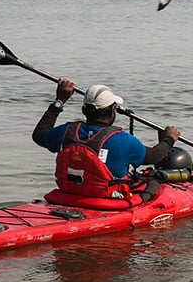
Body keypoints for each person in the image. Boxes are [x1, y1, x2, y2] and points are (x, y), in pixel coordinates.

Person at [32, 78, 180, 196]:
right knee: (152, 181)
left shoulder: (66, 131)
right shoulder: (123, 140)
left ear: (84, 110)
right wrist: (169, 139)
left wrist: (59, 101)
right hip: (107, 200)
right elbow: (154, 156)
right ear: (112, 113)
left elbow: (39, 135)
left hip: (70, 195)